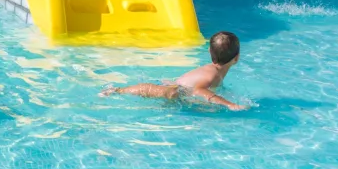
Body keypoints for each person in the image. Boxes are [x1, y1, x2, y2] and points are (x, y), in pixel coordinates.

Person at [104, 31, 246, 110]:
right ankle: (117, 90)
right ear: (237, 58)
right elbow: (198, 90)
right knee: (148, 89)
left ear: (209, 51)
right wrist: (229, 104)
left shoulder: (213, 72)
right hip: (173, 91)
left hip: (178, 90)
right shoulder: (213, 75)